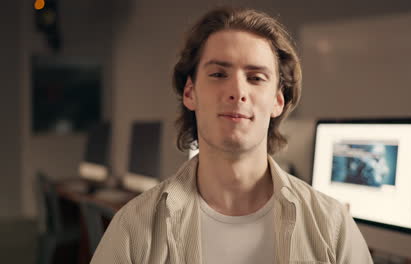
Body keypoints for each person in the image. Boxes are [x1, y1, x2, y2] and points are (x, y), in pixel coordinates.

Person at [91, 7, 373, 264]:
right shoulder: (133, 229)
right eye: (218, 74)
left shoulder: (333, 227)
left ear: (278, 100)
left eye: (255, 77)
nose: (237, 91)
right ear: (190, 92)